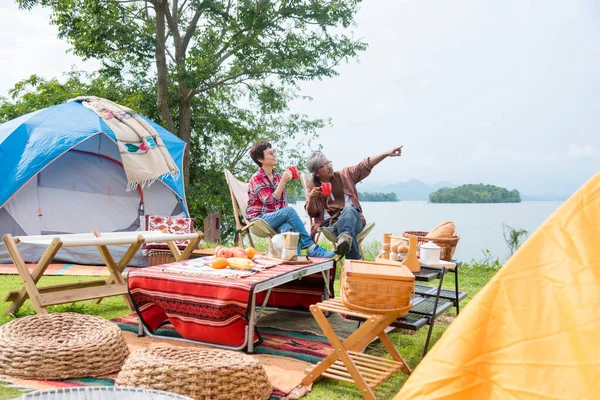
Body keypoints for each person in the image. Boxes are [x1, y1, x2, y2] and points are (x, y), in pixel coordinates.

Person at [304, 147, 403, 259]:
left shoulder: (345, 176)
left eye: (329, 163)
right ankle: (354, 260)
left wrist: (386, 154)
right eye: (325, 165)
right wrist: (312, 197)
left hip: (355, 220)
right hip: (331, 225)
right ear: (317, 172)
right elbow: (312, 213)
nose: (330, 166)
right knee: (346, 233)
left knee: (349, 209)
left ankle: (346, 239)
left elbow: (365, 165)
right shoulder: (312, 188)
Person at [246, 140, 335, 258]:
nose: (274, 155)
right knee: (289, 211)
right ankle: (311, 247)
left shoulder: (277, 176)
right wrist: (283, 182)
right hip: (259, 220)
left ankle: (295, 263)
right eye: (270, 153)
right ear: (260, 159)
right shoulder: (257, 178)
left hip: (275, 218)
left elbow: (282, 204)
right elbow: (269, 202)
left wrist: (293, 220)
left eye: (274, 152)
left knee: (289, 230)